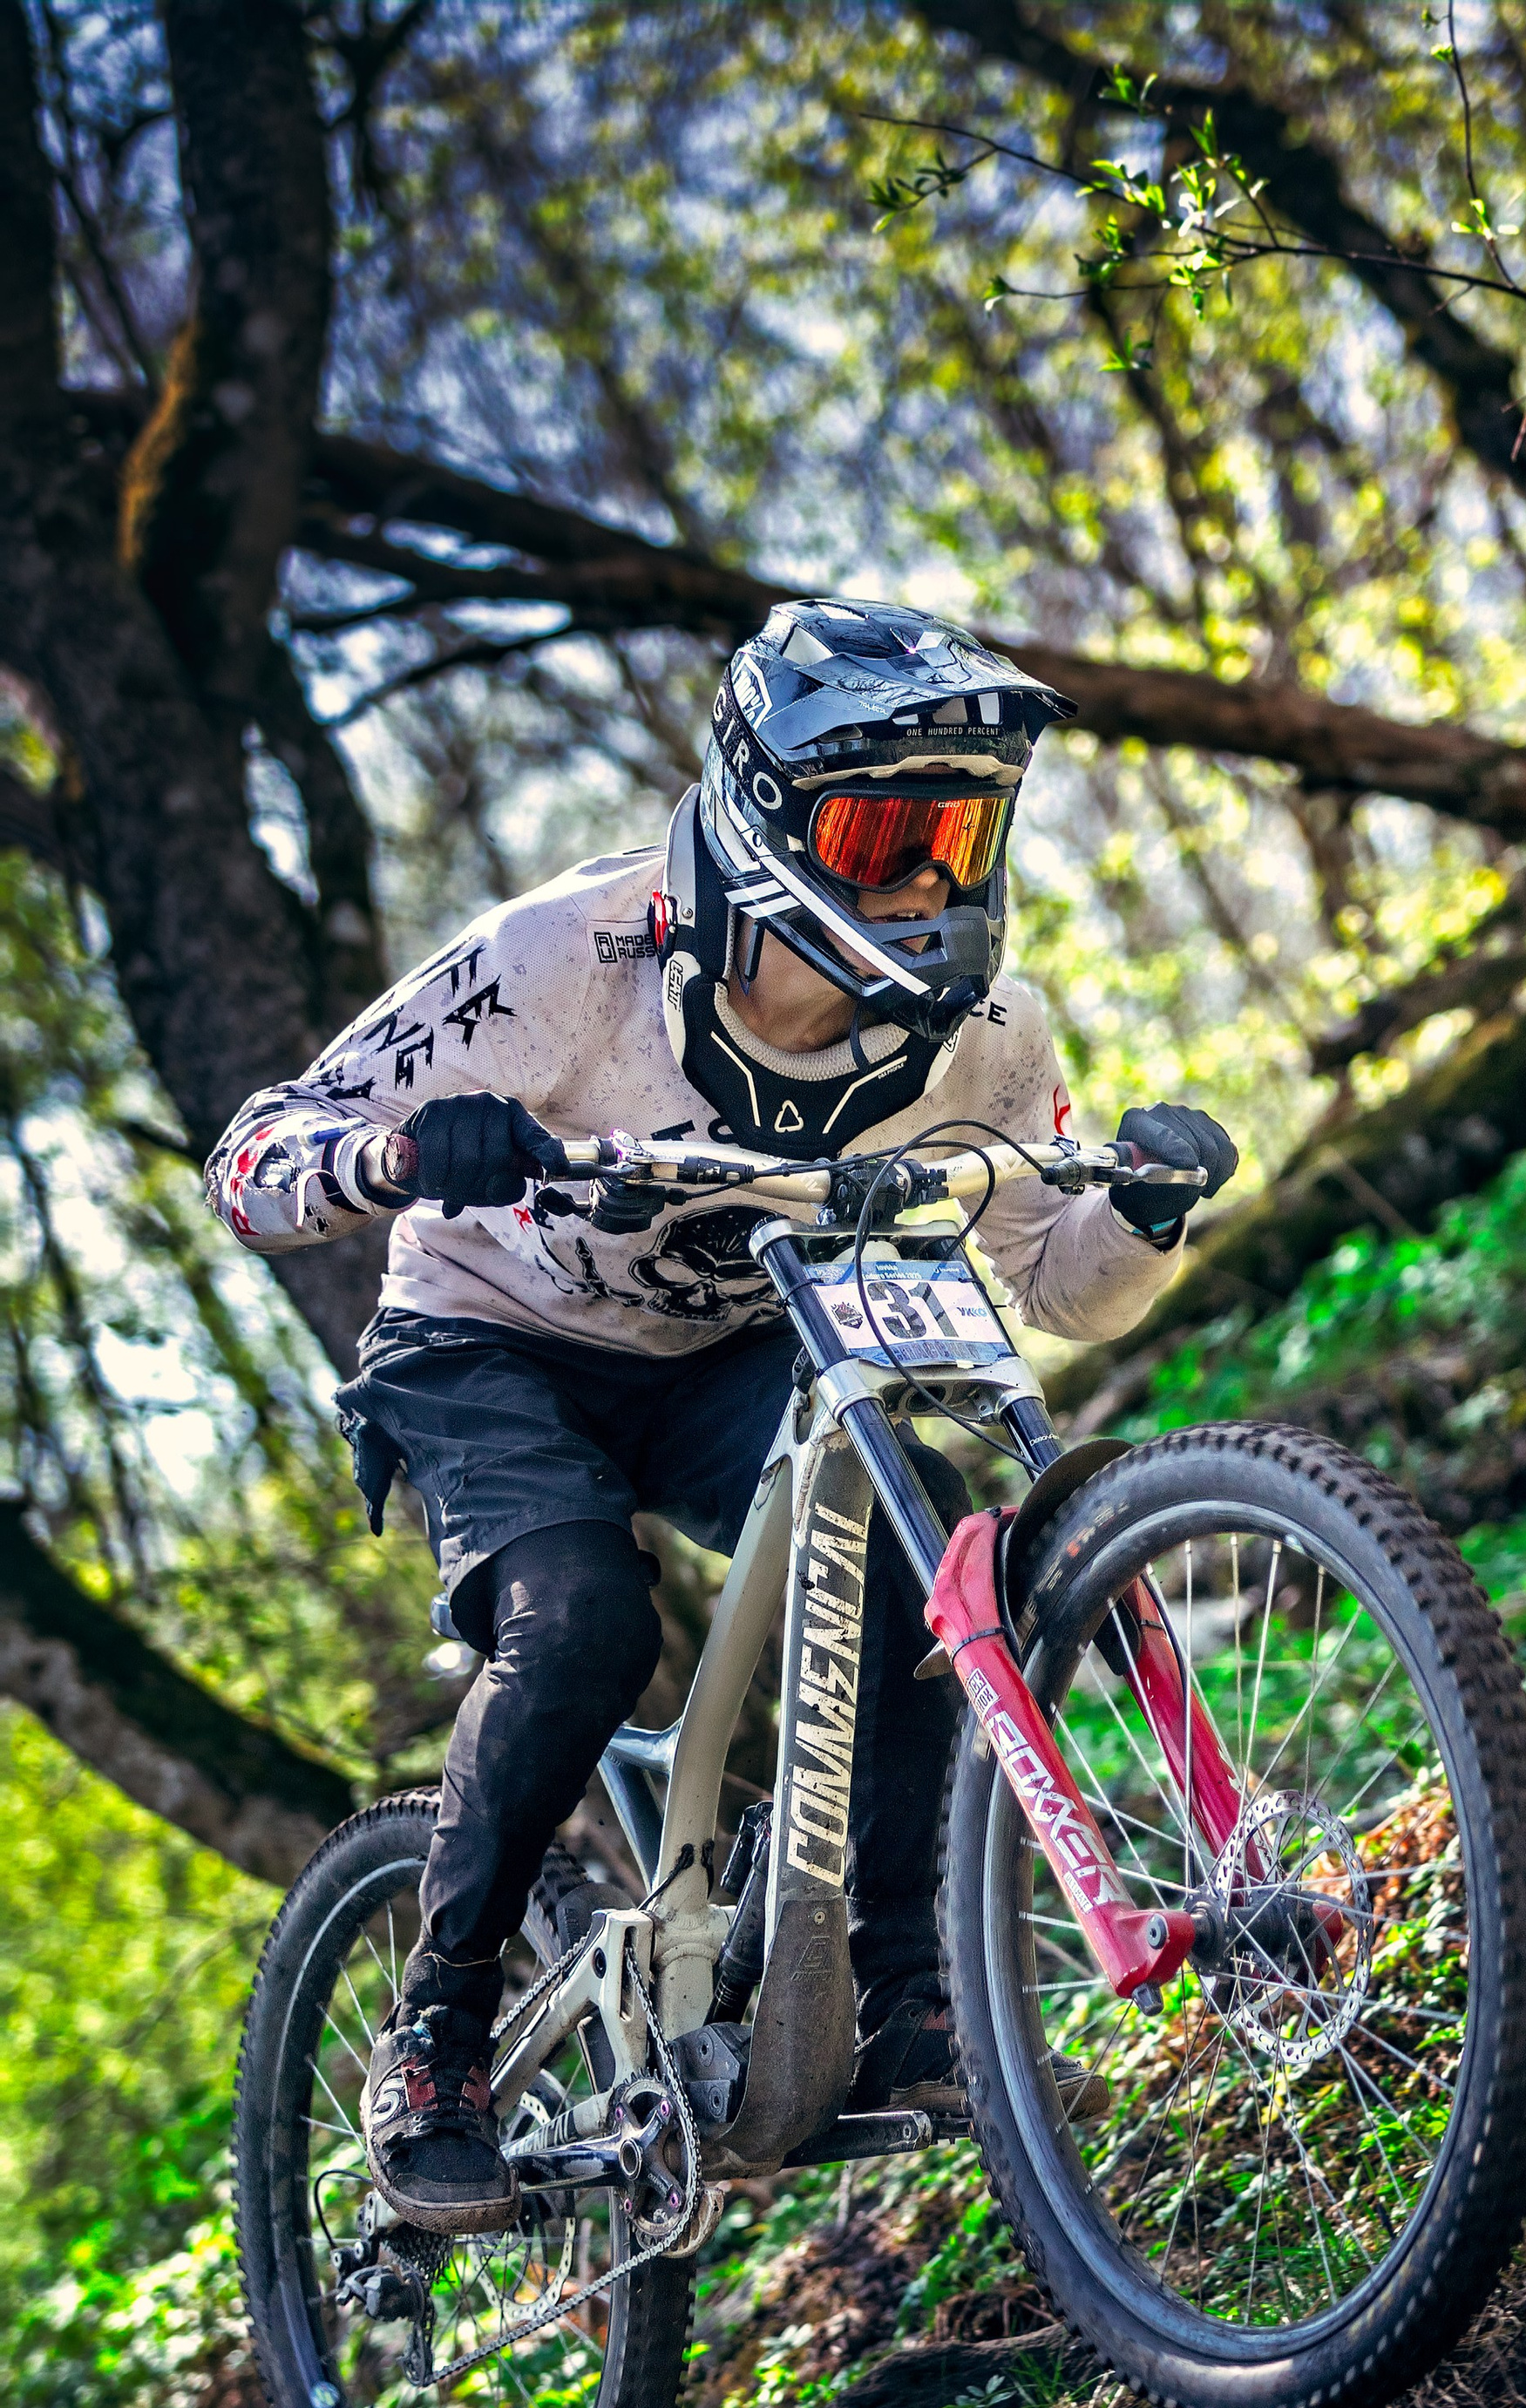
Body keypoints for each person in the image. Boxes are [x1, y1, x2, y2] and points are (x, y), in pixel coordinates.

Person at [207, 598, 1236, 2237]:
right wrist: (395, 1156)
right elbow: (254, 1156)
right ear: (766, 820)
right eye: (885, 837)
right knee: (585, 1623)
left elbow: (1056, 1276)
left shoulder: (985, 1033)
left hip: (731, 1343)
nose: (927, 885)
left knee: (914, 1550)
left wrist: (1149, 1213)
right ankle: (440, 2038)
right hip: (488, 1337)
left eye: (959, 836)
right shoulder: (567, 958)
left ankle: (904, 1996)